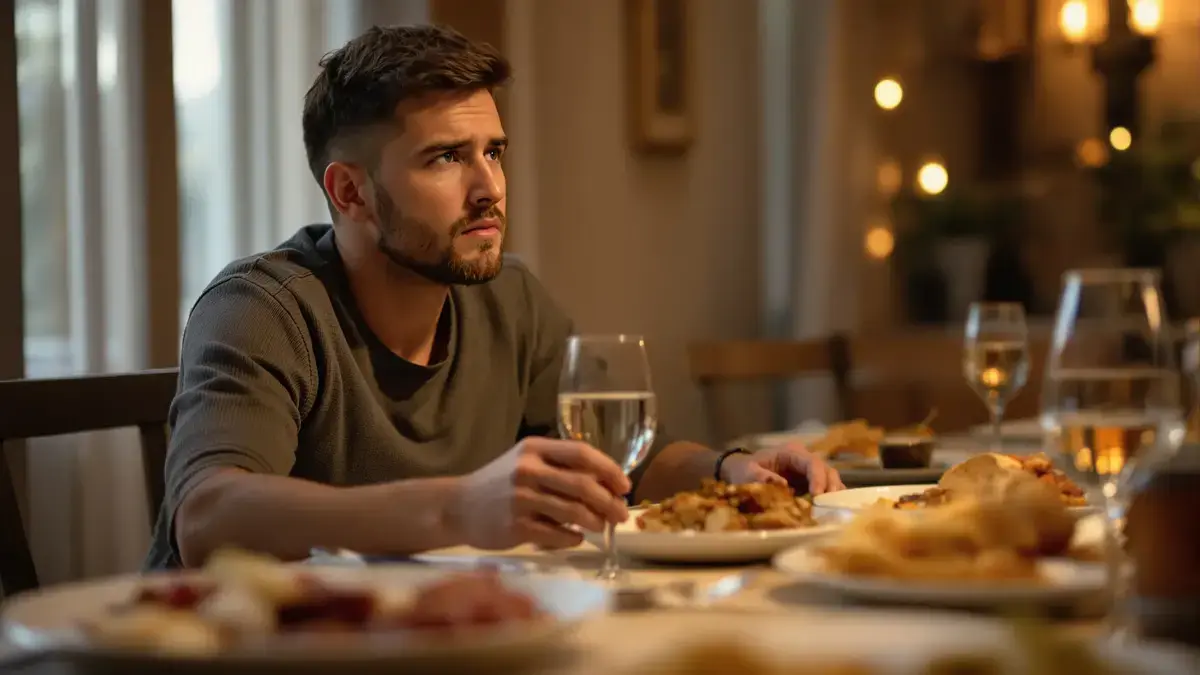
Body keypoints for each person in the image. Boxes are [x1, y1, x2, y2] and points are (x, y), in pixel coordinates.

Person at [144, 24, 843, 570]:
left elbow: (627, 461)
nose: (490, 188)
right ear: (350, 191)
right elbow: (208, 518)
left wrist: (730, 468)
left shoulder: (509, 298)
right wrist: (457, 509)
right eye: (446, 156)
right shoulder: (264, 311)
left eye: (494, 151)